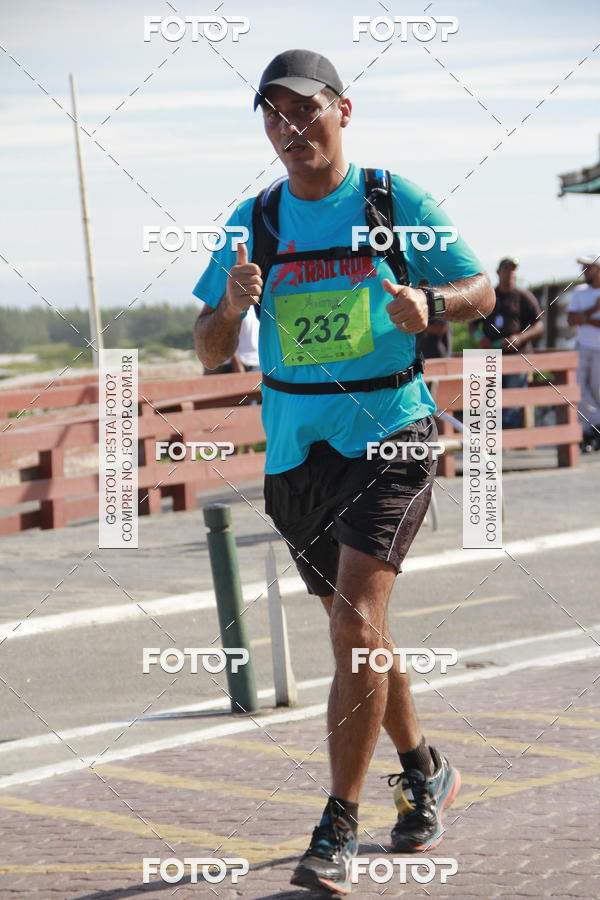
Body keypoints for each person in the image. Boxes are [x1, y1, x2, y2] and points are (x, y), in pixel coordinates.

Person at [193, 49, 494, 895]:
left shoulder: (394, 200)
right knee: (361, 636)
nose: (290, 130)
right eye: (273, 117)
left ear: (343, 110)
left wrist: (432, 305)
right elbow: (209, 351)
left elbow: (479, 289)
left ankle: (336, 823)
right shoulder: (253, 221)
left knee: (354, 628)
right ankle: (425, 769)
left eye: (304, 111)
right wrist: (230, 307)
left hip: (391, 432)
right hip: (296, 451)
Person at [470, 257, 544, 429]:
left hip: (517, 358)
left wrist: (520, 337)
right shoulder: (488, 297)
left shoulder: (524, 296)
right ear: (498, 272)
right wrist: (480, 338)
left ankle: (510, 439)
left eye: (513, 270)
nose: (510, 274)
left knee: (513, 399)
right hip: (492, 356)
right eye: (506, 270)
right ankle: (495, 440)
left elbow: (539, 325)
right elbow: (473, 325)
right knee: (489, 399)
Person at [567, 252, 600, 450]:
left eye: (589, 267)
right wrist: (591, 311)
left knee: (597, 391)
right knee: (579, 389)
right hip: (583, 346)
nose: (584, 271)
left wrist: (584, 317)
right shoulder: (580, 292)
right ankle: (592, 429)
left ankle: (593, 430)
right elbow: (571, 319)